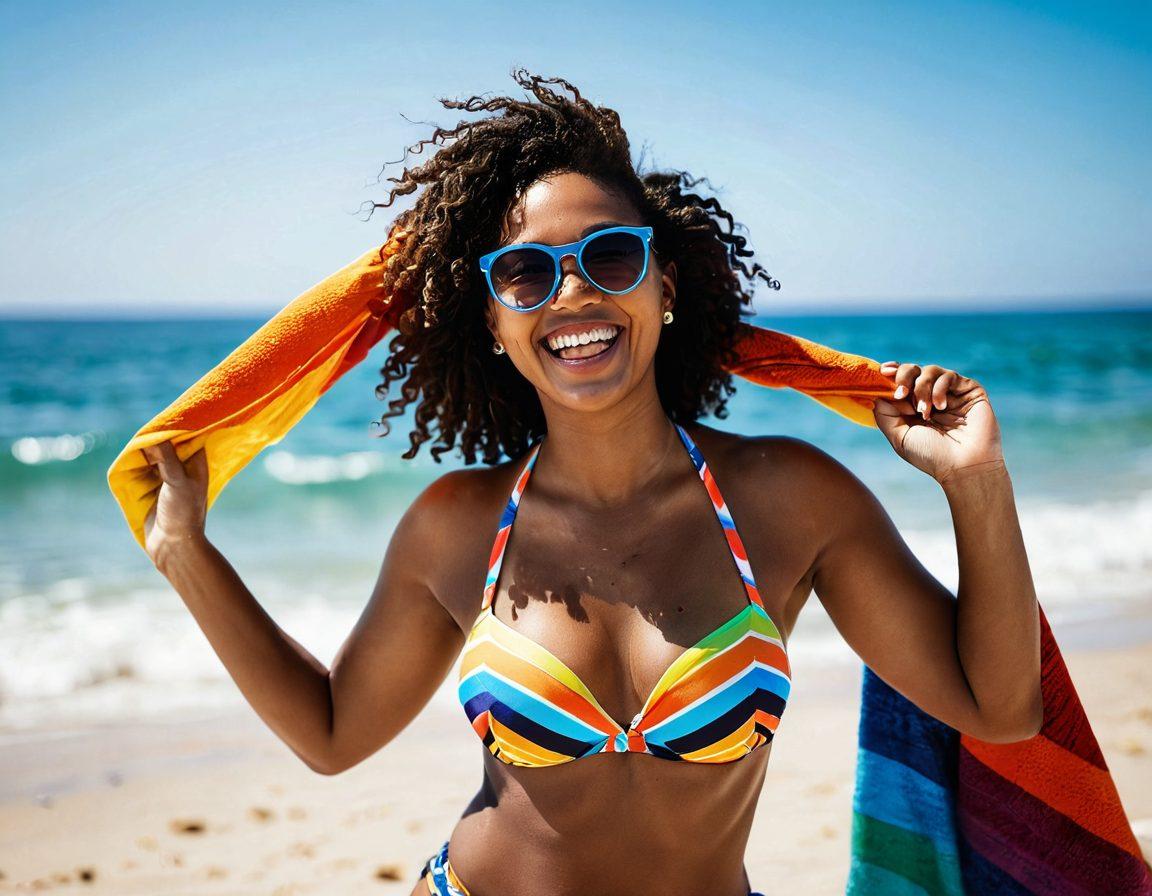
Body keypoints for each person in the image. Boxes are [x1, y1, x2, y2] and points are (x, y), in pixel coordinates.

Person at [139, 70, 1043, 896]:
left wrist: (976, 482)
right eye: (525, 274)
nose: (570, 294)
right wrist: (186, 553)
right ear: (493, 321)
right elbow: (332, 735)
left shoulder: (789, 498)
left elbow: (999, 711)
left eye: (609, 257)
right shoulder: (458, 525)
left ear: (665, 283)